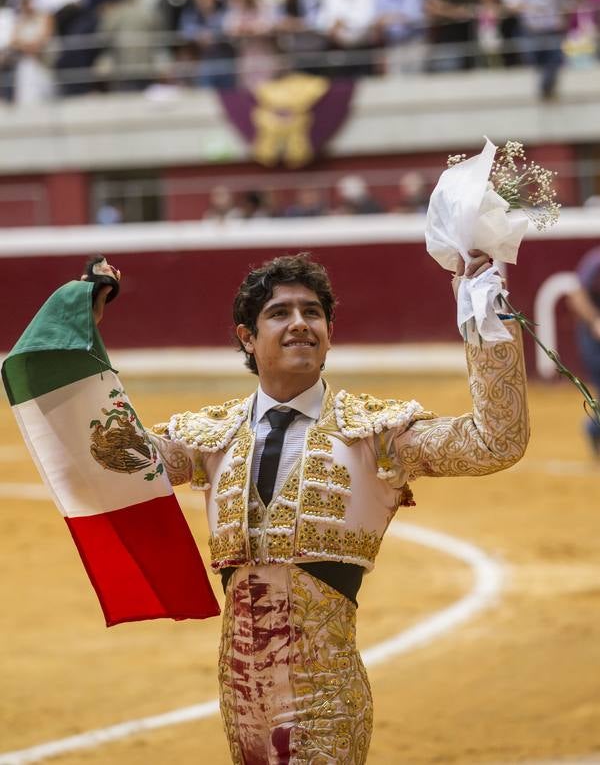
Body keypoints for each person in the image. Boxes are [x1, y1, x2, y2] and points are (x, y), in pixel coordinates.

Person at [90, 249, 529, 763]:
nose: (300, 324)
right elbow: (111, 457)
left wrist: (484, 316)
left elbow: (494, 441)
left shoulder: (374, 432)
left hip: (326, 697)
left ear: (329, 332)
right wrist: (84, 344)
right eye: (280, 313)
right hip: (241, 699)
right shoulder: (210, 436)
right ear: (247, 338)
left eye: (312, 312)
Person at [567, 247, 600, 458]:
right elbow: (577, 296)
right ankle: (593, 428)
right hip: (594, 337)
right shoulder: (596, 261)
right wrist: (595, 320)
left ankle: (593, 427)